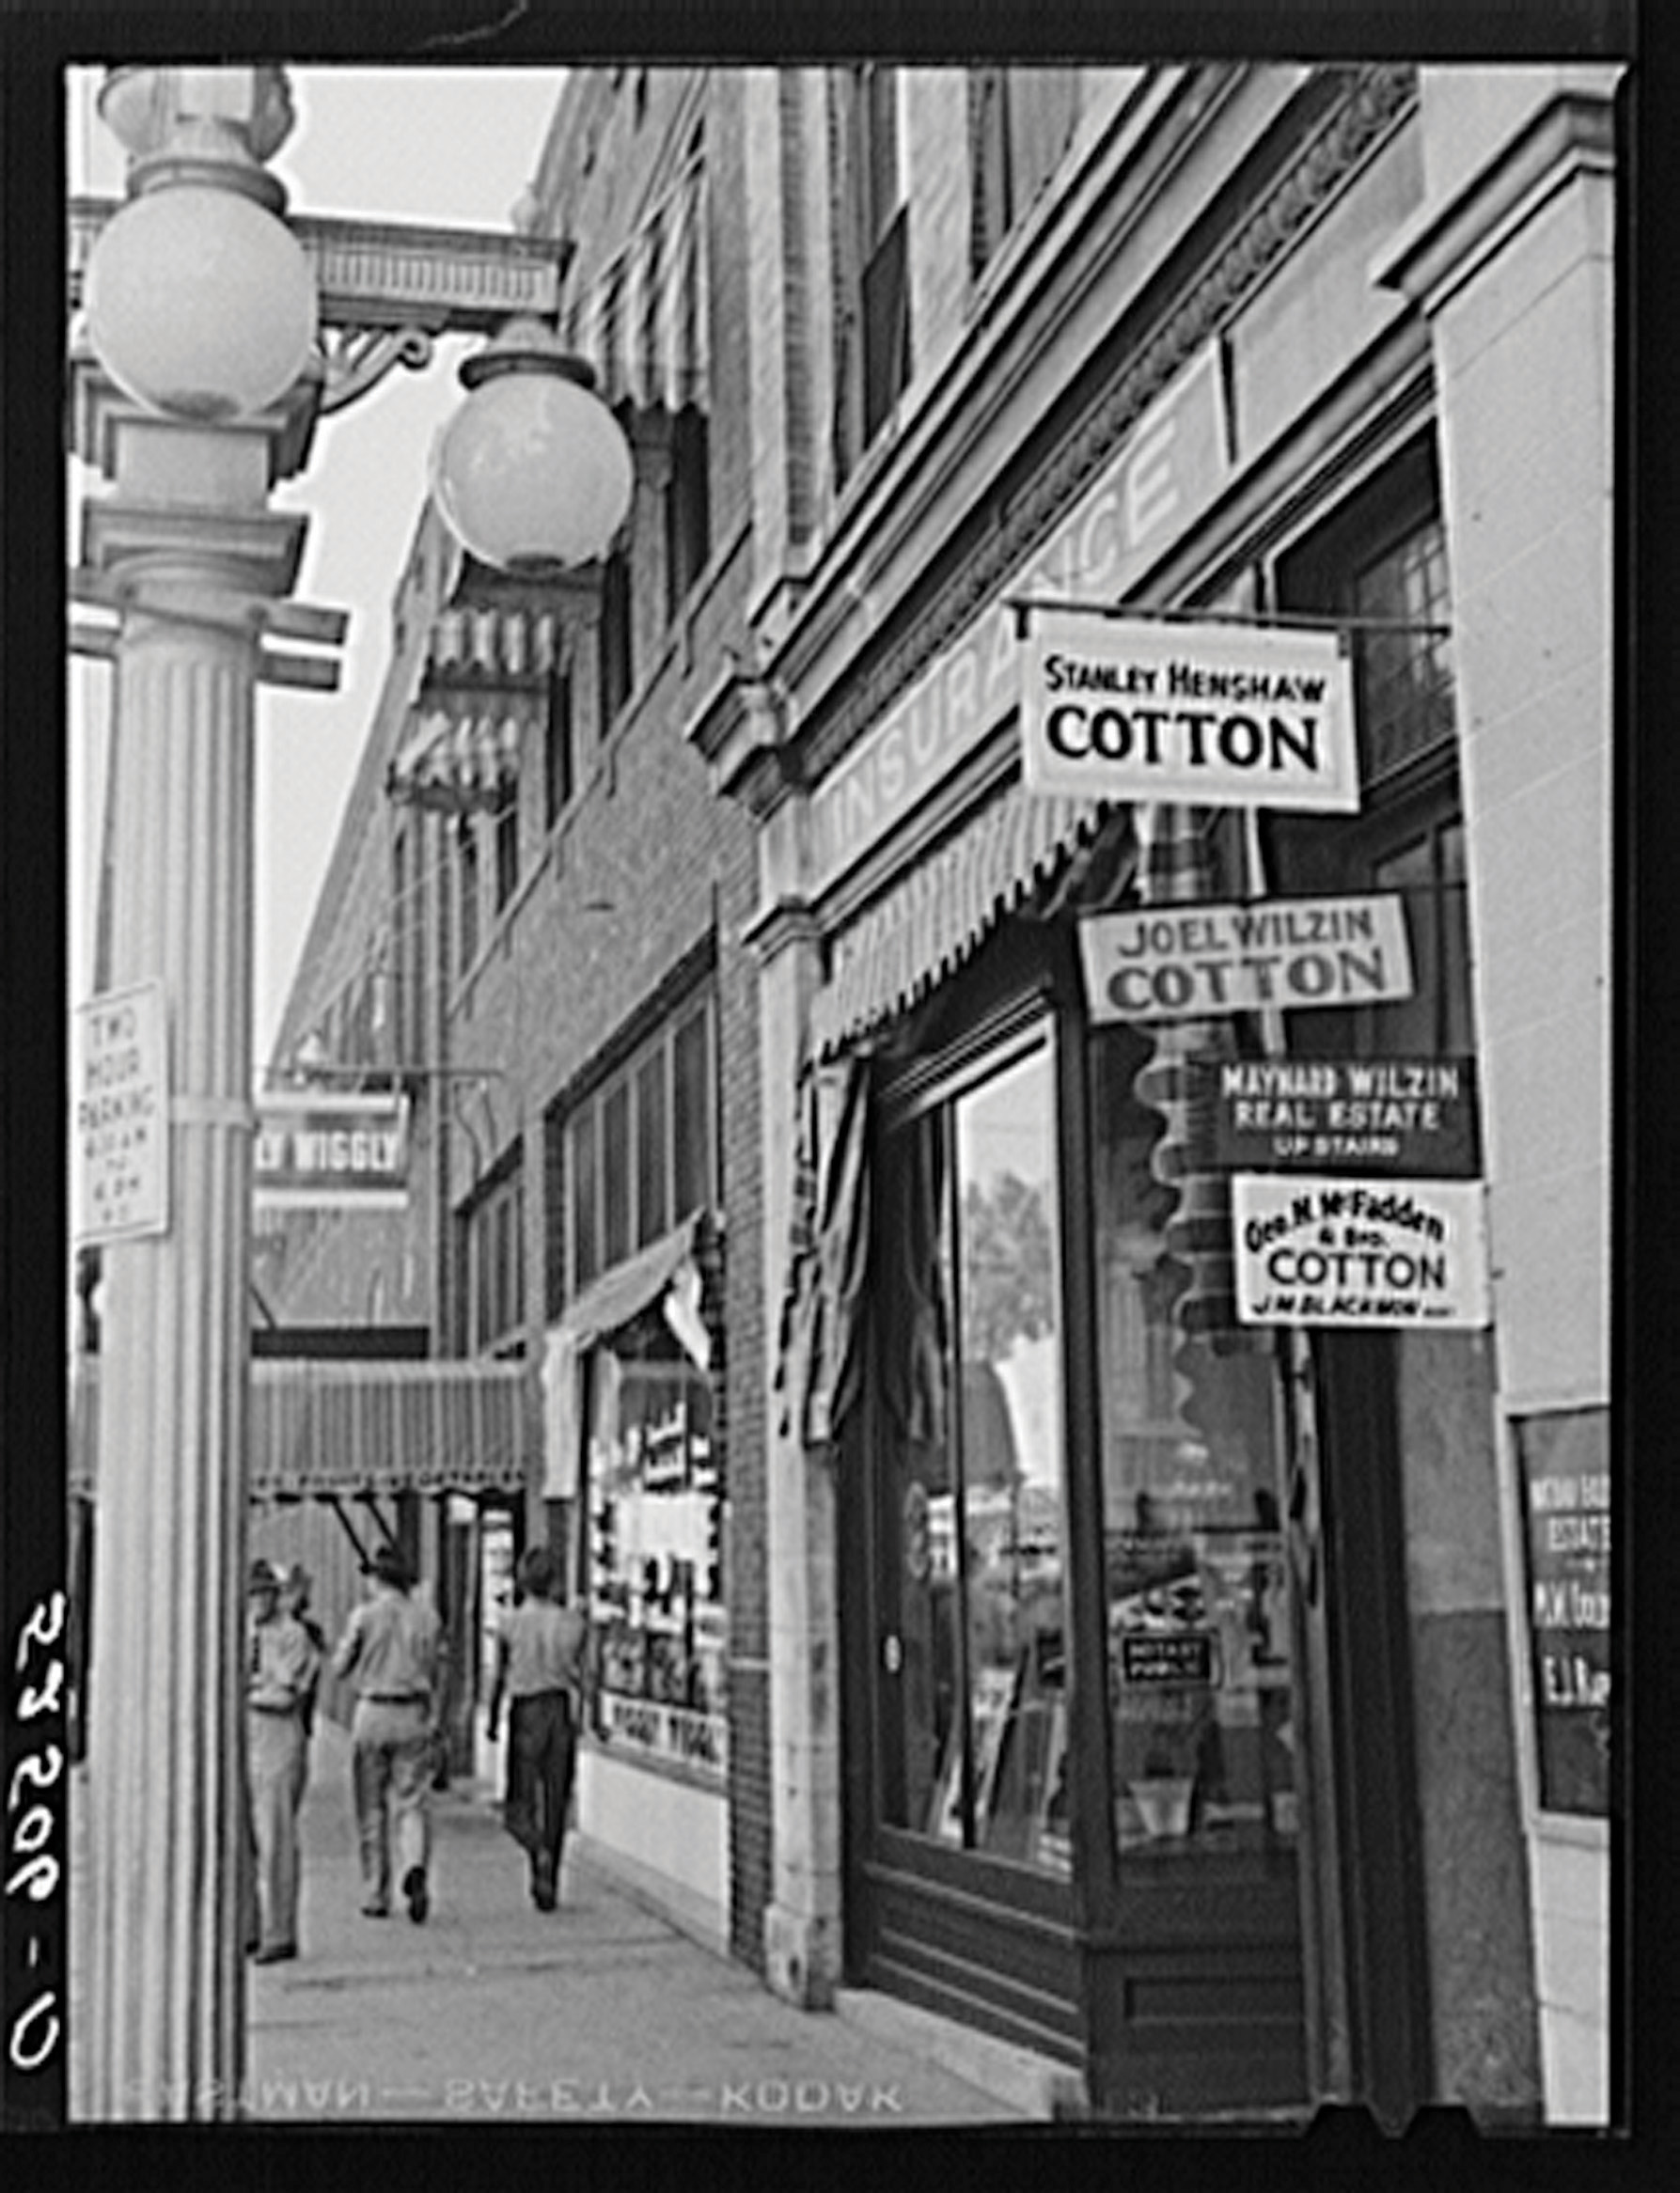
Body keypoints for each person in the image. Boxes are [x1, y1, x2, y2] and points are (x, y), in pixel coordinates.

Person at [332, 1544, 445, 1923]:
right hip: (413, 1711)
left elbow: (340, 1667)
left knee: (371, 1808)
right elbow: (437, 1669)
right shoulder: (427, 1618)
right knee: (412, 1801)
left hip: (373, 1711)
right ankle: (414, 1865)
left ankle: (375, 1892)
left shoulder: (364, 1616)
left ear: (377, 1579)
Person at [486, 1547, 589, 1913]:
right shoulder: (573, 1623)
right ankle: (551, 1874)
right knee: (556, 1797)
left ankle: (536, 1852)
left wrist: (493, 1715)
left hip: (525, 1709)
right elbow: (585, 1676)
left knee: (520, 1801)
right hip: (559, 1709)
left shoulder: (509, 1623)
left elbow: (499, 1673)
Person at [244, 1557, 321, 1965]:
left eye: (263, 1593)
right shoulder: (241, 1632)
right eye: (252, 1594)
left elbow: (287, 1693)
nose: (257, 1601)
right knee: (242, 1838)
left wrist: (250, 1690)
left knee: (276, 1836)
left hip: (277, 1736)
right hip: (245, 1733)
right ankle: (248, 1924)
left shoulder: (292, 1636)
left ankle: (280, 1930)